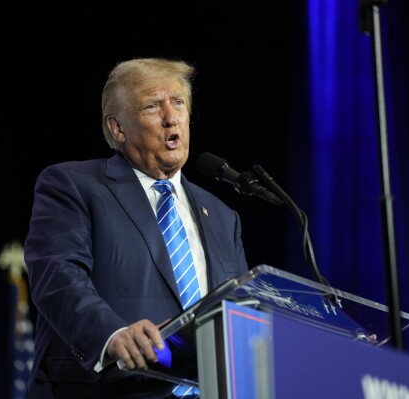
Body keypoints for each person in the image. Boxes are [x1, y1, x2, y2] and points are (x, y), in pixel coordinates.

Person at [23, 57, 249, 399]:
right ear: (117, 128)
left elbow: (244, 311)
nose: (171, 117)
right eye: (152, 107)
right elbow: (58, 277)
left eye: (178, 103)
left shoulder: (222, 216)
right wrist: (111, 335)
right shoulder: (73, 185)